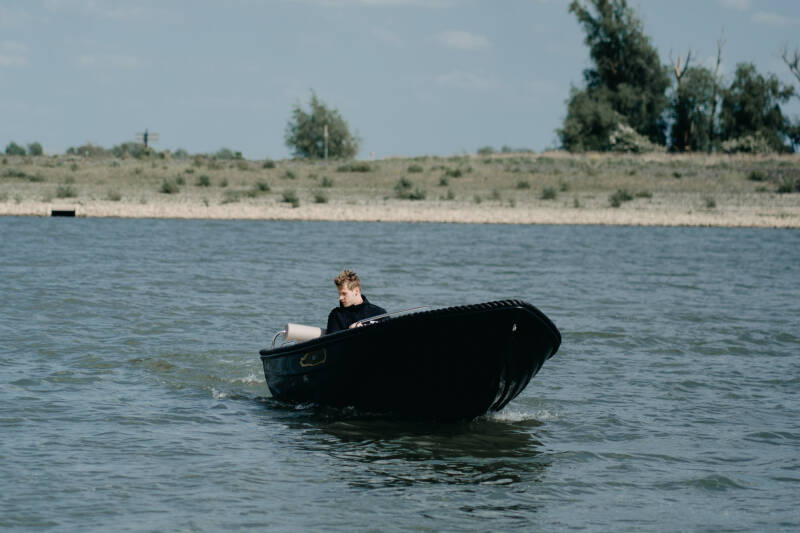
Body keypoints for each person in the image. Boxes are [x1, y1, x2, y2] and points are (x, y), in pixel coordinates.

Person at [326, 269, 386, 333]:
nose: (340, 298)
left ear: (356, 291)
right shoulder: (336, 315)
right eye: (339, 294)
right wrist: (350, 331)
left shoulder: (380, 313)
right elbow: (333, 338)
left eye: (344, 294)